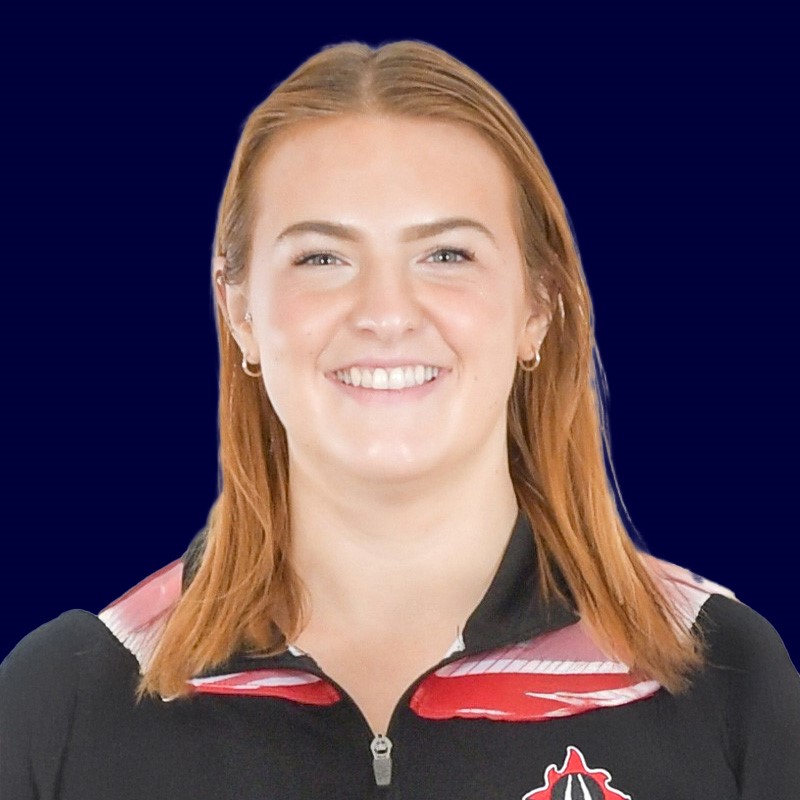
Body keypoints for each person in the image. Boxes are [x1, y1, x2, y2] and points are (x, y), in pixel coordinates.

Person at [1, 39, 798, 799]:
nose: (386, 313)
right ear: (239, 311)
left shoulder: (723, 680)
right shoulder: (65, 705)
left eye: (447, 255)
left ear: (538, 305)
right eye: (322, 258)